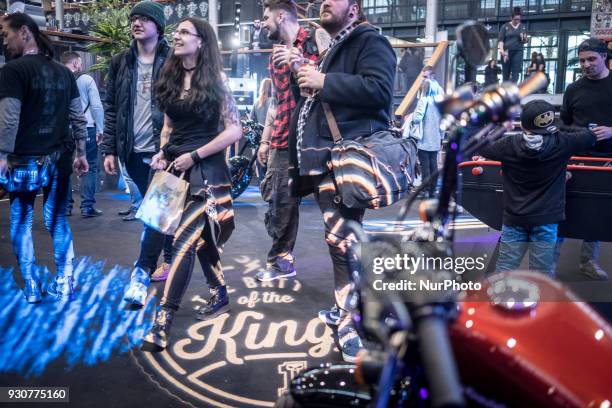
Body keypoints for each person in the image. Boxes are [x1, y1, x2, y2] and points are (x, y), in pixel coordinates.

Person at [289, 0, 396, 361]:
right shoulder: (335, 47)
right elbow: (321, 99)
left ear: (355, 7)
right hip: (329, 159)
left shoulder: (369, 40)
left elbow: (380, 91)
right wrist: (305, 76)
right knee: (338, 239)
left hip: (347, 158)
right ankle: (343, 309)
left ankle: (352, 320)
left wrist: (324, 80)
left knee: (343, 241)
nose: (323, 2)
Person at [141, 17, 242, 350]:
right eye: (177, 31)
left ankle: (163, 318)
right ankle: (219, 292)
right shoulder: (169, 77)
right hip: (173, 170)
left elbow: (234, 131)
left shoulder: (217, 80)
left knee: (183, 242)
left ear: (201, 42)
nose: (177, 36)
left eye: (185, 32)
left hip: (206, 172)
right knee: (200, 241)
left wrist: (195, 156)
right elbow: (169, 127)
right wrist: (161, 152)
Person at [0, 13, 89, 302]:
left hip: (23, 160)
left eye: (6, 34)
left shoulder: (13, 71)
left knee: (21, 221)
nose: (4, 40)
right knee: (57, 222)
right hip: (59, 159)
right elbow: (77, 116)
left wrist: (1, 154)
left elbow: (9, 118)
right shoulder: (64, 72)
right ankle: (64, 282)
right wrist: (82, 153)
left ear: (24, 32)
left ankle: (32, 286)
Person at [479, 100, 610, 276]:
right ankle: (541, 302)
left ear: (523, 126)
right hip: (546, 219)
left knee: (506, 267)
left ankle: (499, 301)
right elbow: (591, 135)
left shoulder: (507, 145)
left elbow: (479, 143)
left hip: (514, 218)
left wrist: (502, 127)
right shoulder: (564, 142)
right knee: (541, 273)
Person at [100, 1, 174, 287]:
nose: (136, 23)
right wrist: (110, 148)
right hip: (132, 150)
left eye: (144, 18)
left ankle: (152, 264)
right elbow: (112, 107)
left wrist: (171, 147)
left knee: (157, 210)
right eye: (134, 19)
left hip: (163, 149)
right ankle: (167, 257)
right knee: (154, 208)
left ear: (158, 26)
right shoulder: (121, 61)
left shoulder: (173, 60)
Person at [256, 0, 321, 282]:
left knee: (329, 203)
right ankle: (281, 259)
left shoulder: (313, 40)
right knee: (277, 198)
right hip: (282, 138)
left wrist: (300, 63)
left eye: (266, 17)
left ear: (281, 16)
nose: (263, 23)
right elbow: (277, 102)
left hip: (313, 137)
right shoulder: (275, 54)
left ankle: (280, 260)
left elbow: (320, 84)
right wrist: (265, 140)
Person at [558, 37, 612, 280]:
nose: (586, 64)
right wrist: (580, 133)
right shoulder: (573, 89)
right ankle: (547, 263)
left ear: (605, 58)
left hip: (607, 161)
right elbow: (564, 125)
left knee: (597, 211)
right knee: (561, 208)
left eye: (592, 59)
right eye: (582, 61)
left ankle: (588, 260)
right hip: (576, 158)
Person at [61, 51, 105, 218]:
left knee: (64, 167)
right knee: (90, 166)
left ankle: (65, 207)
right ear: (76, 64)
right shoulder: (87, 79)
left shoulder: (57, 78)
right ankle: (87, 207)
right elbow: (96, 107)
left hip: (63, 129)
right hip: (86, 127)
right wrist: (100, 128)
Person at [412, 66, 444, 198]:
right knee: (433, 165)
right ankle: (432, 191)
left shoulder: (425, 96)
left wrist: (412, 118)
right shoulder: (441, 94)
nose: (423, 79)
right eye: (423, 76)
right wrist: (442, 136)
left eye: (425, 77)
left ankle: (426, 191)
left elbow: (417, 118)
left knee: (425, 166)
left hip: (425, 136)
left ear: (432, 76)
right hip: (436, 135)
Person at [498, 7, 528, 83]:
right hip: (506, 52)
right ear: (511, 18)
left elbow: (525, 40)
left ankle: (513, 90)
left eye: (519, 19)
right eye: (515, 19)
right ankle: (504, 91)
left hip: (518, 51)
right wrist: (502, 51)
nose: (517, 21)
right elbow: (500, 40)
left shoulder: (523, 26)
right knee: (506, 74)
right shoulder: (505, 26)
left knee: (516, 72)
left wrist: (524, 38)